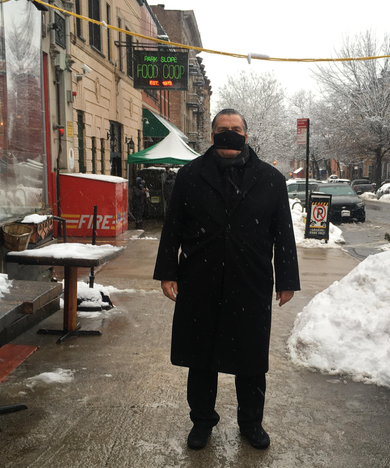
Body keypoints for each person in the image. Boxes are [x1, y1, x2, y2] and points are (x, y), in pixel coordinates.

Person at [153, 108, 300, 451]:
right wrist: (166, 272)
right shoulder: (190, 175)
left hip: (251, 282)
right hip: (200, 280)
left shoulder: (271, 179)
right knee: (201, 358)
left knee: (250, 361)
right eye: (222, 129)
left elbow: (283, 233)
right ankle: (202, 422)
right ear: (212, 135)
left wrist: (287, 279)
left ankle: (251, 423)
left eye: (235, 129)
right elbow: (172, 226)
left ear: (246, 136)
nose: (229, 134)